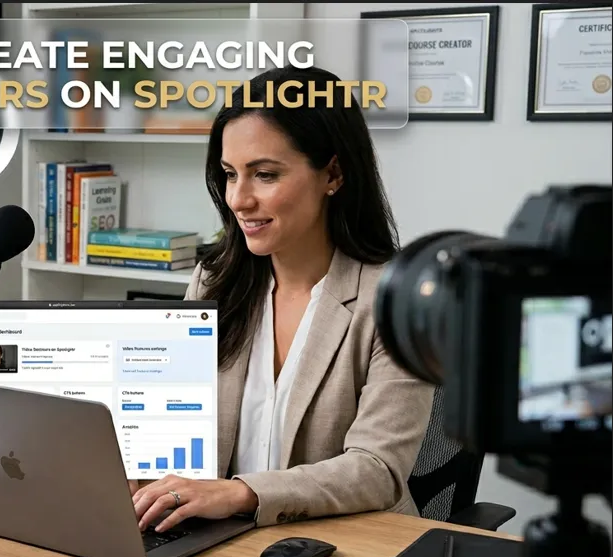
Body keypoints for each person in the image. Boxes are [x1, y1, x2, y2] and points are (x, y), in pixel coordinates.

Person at [132, 66, 435, 532]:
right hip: (216, 543)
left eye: (265, 175)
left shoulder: (394, 299)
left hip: (344, 550)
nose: (238, 198)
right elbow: (174, 428)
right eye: (230, 175)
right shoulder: (213, 281)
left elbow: (376, 470)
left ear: (332, 173)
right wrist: (141, 472)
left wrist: (241, 493)